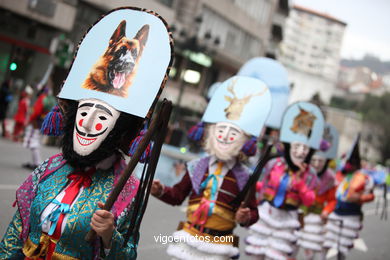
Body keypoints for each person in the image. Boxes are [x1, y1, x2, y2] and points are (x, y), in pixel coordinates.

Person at [0, 7, 173, 259]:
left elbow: (128, 253)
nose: (88, 124)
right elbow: (15, 233)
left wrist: (108, 235)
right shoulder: (48, 169)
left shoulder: (128, 190)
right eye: (83, 113)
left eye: (102, 117)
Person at [151, 76, 272, 259]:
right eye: (221, 131)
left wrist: (246, 217)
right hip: (189, 237)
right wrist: (160, 191)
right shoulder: (197, 166)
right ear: (211, 134)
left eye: (232, 134)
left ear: (243, 141)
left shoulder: (245, 177)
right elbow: (177, 195)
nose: (224, 137)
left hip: (220, 245)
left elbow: (253, 212)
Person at [245, 101, 325, 260]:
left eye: (305, 148)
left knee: (276, 255)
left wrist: (300, 184)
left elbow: (309, 201)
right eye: (296, 147)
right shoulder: (275, 164)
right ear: (289, 146)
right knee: (256, 253)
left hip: (288, 218)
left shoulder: (311, 175)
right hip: (267, 213)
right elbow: (263, 186)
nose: (300, 152)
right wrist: (249, 187)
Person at [323, 135, 375, 259]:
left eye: (350, 162)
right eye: (345, 161)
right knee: (326, 243)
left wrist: (359, 198)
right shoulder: (339, 176)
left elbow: (371, 196)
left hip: (350, 216)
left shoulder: (363, 178)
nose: (346, 164)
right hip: (336, 213)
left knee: (343, 248)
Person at [296, 124, 339, 260]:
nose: (316, 164)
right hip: (298, 215)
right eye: (314, 160)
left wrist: (326, 211)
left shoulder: (330, 178)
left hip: (317, 218)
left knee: (311, 251)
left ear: (325, 162)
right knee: (290, 247)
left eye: (320, 161)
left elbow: (332, 199)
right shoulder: (302, 172)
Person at [22, 86, 55, 170]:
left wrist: (30, 120)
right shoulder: (48, 99)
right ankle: (36, 162)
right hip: (42, 122)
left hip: (36, 122)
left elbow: (36, 112)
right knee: (35, 141)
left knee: (33, 142)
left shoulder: (42, 98)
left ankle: (37, 163)